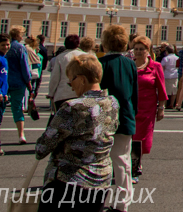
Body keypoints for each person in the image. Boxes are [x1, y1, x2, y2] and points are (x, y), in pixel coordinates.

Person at [34, 53, 121, 212]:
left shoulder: (72, 107)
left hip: (69, 181)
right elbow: (99, 126)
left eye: (71, 81)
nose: (71, 86)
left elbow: (42, 148)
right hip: (100, 181)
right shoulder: (111, 103)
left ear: (81, 79)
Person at [99, 25, 136, 212]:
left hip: (104, 119)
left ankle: (99, 198)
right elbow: (134, 93)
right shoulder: (130, 64)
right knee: (123, 161)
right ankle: (123, 201)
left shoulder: (101, 64)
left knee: (101, 160)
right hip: (126, 115)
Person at [130, 36, 166, 178]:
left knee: (142, 139)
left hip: (147, 109)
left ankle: (136, 165)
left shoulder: (155, 66)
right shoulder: (130, 65)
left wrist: (161, 108)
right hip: (130, 107)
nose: (138, 52)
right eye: (136, 49)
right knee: (129, 137)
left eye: (141, 49)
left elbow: (161, 89)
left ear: (148, 51)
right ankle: (131, 164)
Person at [5, 25, 33, 144]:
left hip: (5, 81)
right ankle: (21, 134)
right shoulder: (20, 48)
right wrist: (28, 82)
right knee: (17, 108)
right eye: (21, 34)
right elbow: (24, 67)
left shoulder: (6, 46)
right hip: (18, 82)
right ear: (18, 35)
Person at [46, 34, 85, 112]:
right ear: (78, 44)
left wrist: (51, 93)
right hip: (81, 94)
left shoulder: (61, 57)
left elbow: (55, 78)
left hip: (63, 94)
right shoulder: (85, 56)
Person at [159, 45, 179, 110]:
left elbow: (162, 68)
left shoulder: (165, 58)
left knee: (166, 91)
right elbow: (178, 67)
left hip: (167, 76)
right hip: (175, 75)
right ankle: (171, 104)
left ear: (167, 51)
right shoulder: (177, 58)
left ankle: (164, 104)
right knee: (174, 90)